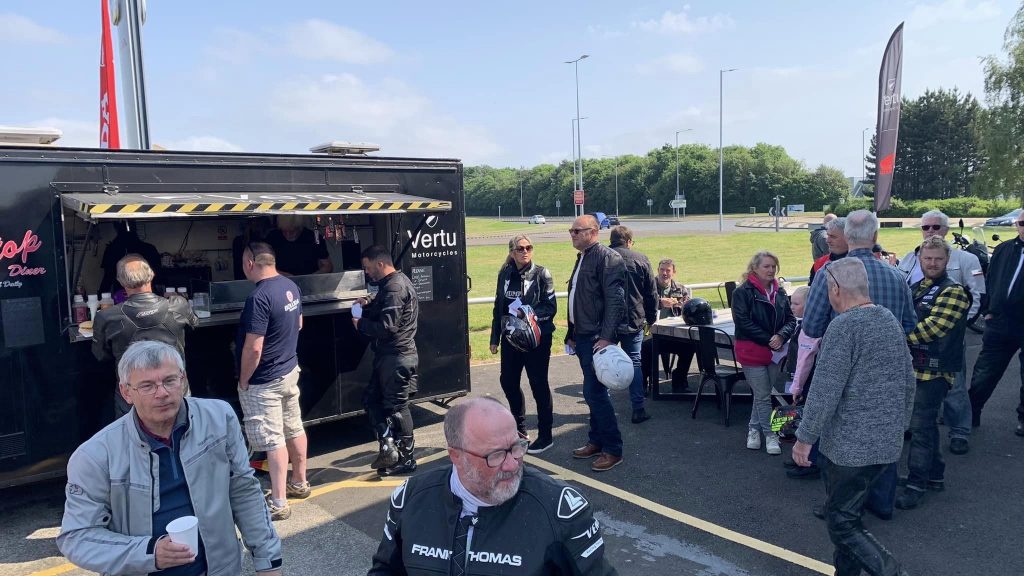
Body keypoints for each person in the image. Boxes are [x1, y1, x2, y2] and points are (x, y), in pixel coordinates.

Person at [58, 341, 283, 576]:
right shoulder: (95, 455)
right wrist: (149, 552)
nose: (162, 393)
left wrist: (269, 562)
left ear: (183, 380)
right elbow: (77, 537)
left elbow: (244, 492)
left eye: (169, 380)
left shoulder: (218, 418)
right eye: (147, 386)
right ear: (126, 393)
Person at [367, 397, 617, 575]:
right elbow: (385, 570)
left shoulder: (560, 510)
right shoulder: (412, 499)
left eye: (516, 447)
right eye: (495, 455)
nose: (512, 464)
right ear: (456, 456)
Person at [792, 258, 915, 576]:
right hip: (885, 445)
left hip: (850, 448)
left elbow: (825, 390)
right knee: (851, 514)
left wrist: (804, 439)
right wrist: (899, 425)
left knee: (841, 523)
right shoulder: (888, 319)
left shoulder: (843, 326)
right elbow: (908, 378)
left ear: (835, 289)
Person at [801, 209, 917, 519]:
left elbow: (811, 326)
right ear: (875, 236)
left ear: (845, 236)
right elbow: (910, 324)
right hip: (889, 374)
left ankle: (842, 508)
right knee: (882, 437)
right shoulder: (896, 276)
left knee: (842, 441)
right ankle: (881, 504)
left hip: (845, 374)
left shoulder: (831, 274)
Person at [897, 209, 985, 455]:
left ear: (946, 229)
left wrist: (958, 323)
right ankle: (916, 426)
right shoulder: (910, 257)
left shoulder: (965, 259)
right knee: (917, 392)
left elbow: (977, 294)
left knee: (955, 388)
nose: (930, 231)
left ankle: (959, 431)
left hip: (946, 337)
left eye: (936, 227)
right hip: (915, 338)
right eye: (926, 227)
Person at [896, 236, 971, 510]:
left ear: (947, 260)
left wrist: (893, 336)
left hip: (936, 373)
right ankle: (935, 476)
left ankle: (916, 484)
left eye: (938, 258)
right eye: (928, 258)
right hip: (915, 368)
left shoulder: (954, 291)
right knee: (925, 426)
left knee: (920, 429)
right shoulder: (915, 286)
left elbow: (933, 328)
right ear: (920, 259)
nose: (932, 263)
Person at [236, 241, 309, 521]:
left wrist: (244, 380)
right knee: (294, 427)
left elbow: (254, 348)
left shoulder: (259, 297)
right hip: (290, 370)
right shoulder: (290, 286)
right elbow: (299, 324)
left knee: (273, 439)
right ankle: (299, 482)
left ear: (250, 263)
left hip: (265, 379)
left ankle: (278, 502)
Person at [93, 255, 197, 417]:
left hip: (133, 398)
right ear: (152, 275)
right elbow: (193, 327)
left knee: (131, 433)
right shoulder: (178, 306)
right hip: (174, 391)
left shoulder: (106, 317)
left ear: (120, 281)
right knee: (183, 430)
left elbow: (100, 355)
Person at [565, 215, 626, 472]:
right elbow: (577, 297)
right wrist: (571, 332)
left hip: (596, 339)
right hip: (583, 336)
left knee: (594, 394)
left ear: (593, 232)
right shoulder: (583, 257)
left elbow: (616, 300)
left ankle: (613, 449)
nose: (572, 234)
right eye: (571, 231)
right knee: (593, 394)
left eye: (577, 231)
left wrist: (606, 337)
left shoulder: (608, 258)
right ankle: (596, 441)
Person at [355, 245, 420, 476]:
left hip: (397, 357)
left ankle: (406, 459)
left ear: (380, 264)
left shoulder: (395, 286)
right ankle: (388, 447)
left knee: (397, 407)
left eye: (368, 267)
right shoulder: (391, 284)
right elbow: (385, 306)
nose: (367, 272)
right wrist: (368, 302)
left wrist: (360, 324)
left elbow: (387, 327)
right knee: (371, 400)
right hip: (390, 357)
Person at [489, 234, 557, 453]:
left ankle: (546, 435)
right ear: (512, 252)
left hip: (537, 339)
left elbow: (551, 307)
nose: (525, 251)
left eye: (529, 247)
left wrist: (526, 313)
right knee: (508, 381)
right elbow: (499, 306)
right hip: (511, 338)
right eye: (520, 248)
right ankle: (519, 430)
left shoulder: (542, 274)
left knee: (538, 384)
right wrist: (495, 337)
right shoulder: (505, 274)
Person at [731, 251, 797, 455]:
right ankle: (770, 435)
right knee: (763, 396)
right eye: (766, 266)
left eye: (773, 266)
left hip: (775, 351)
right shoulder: (742, 292)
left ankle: (753, 429)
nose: (771, 270)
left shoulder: (780, 292)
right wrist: (769, 339)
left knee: (763, 394)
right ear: (754, 268)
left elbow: (791, 319)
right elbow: (742, 322)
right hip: (752, 350)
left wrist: (781, 336)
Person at [968, 212, 1024, 438]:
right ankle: (971, 411)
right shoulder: (1004, 249)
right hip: (1000, 322)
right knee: (985, 371)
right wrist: (988, 309)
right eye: (1022, 223)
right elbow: (990, 280)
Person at [608, 226, 658, 424]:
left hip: (607, 321)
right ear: (629, 241)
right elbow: (651, 292)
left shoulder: (602, 257)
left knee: (606, 362)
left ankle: (604, 407)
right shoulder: (641, 259)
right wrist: (651, 318)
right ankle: (638, 407)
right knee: (634, 362)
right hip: (634, 318)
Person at [782, 285, 822, 479]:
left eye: (796, 304)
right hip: (812, 378)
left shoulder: (808, 330)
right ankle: (805, 458)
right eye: (791, 303)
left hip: (809, 380)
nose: (792, 307)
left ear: (810, 305)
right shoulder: (810, 324)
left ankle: (809, 461)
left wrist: (796, 387)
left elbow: (805, 361)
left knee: (809, 420)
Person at [640, 258, 692, 393]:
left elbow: (689, 308)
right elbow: (639, 305)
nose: (664, 273)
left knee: (690, 347)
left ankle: (679, 381)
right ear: (657, 271)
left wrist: (684, 306)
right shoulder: (648, 287)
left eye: (668, 270)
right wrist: (659, 303)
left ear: (674, 272)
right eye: (662, 270)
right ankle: (643, 382)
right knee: (644, 346)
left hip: (673, 334)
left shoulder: (680, 289)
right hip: (649, 330)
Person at [99, 222, 164, 295]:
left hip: (129, 293)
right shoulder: (149, 248)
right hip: (127, 293)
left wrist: (101, 295)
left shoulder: (112, 249)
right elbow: (108, 276)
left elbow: (107, 277)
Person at [263, 214, 332, 276]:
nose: (288, 234)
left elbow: (327, 266)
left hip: (309, 283)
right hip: (280, 282)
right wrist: (284, 276)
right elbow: (264, 265)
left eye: (292, 231)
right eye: (284, 231)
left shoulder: (314, 237)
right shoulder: (273, 237)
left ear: (299, 227)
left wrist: (310, 278)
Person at [807, 217, 847, 286]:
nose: (827, 240)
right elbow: (811, 290)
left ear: (849, 237)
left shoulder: (861, 261)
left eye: (833, 237)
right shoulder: (820, 263)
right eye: (828, 235)